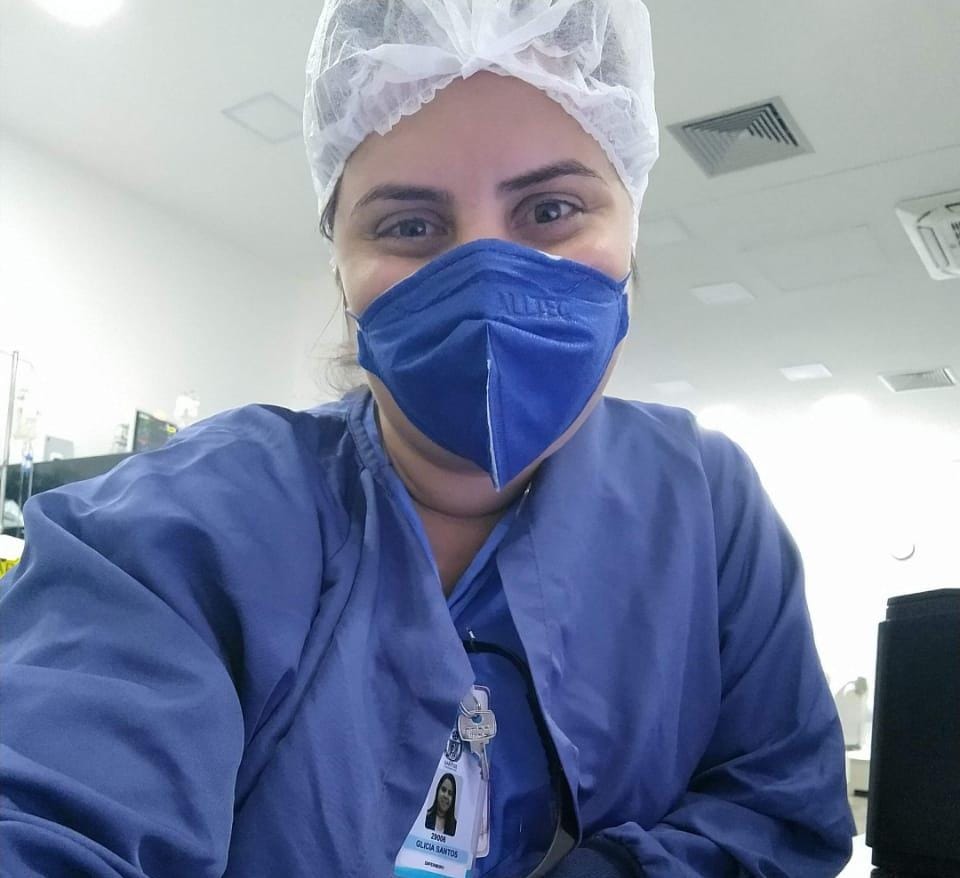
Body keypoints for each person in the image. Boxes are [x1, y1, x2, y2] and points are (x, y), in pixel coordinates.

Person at [0, 2, 857, 876]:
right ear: (341, 269)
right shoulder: (178, 529)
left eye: (552, 209)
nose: (482, 275)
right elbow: (50, 811)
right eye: (410, 226)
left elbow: (779, 810)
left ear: (628, 231)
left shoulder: (705, 507)